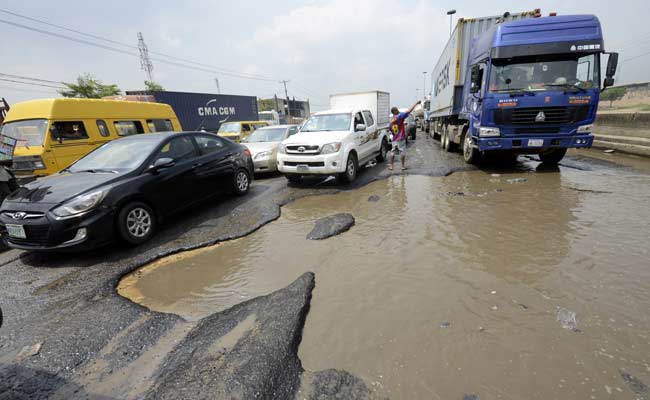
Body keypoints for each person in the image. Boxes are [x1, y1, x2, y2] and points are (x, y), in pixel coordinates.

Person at [389, 100, 420, 171]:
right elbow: (409, 111)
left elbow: (390, 130)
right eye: (397, 110)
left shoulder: (391, 120)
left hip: (394, 139)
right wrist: (415, 103)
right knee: (402, 151)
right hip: (401, 138)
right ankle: (402, 166)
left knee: (393, 152)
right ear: (395, 111)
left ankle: (391, 166)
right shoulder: (400, 116)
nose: (398, 110)